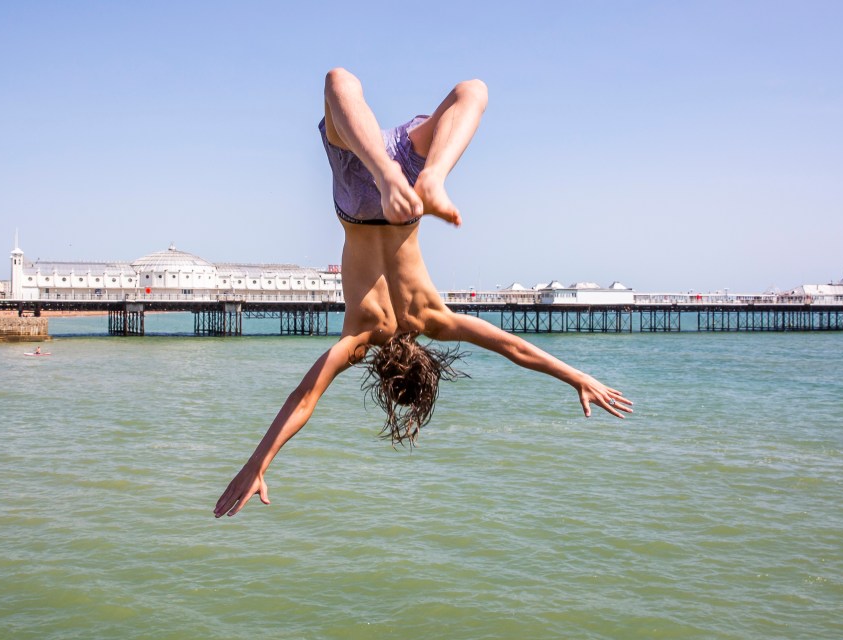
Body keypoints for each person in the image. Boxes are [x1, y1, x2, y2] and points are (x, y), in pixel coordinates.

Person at [214, 68, 633, 518]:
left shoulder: (435, 319)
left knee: (472, 91)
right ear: (382, 374)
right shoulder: (358, 338)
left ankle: (430, 175)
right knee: (339, 84)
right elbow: (304, 398)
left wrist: (578, 377)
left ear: (426, 360)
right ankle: (402, 174)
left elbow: (515, 349)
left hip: (405, 201)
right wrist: (259, 462)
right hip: (361, 199)